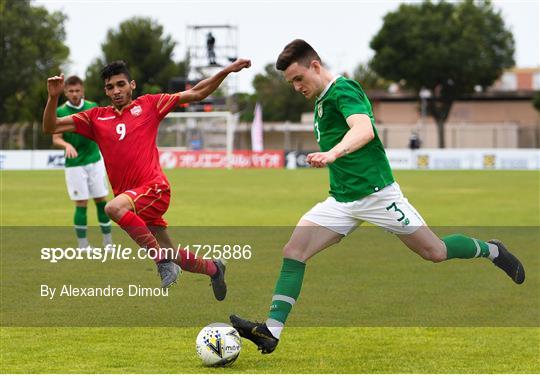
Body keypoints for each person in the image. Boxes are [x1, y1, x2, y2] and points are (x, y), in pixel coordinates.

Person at [230, 39, 525, 354]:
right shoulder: (319, 100)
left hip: (379, 196)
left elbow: (364, 129)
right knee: (294, 250)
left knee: (435, 252)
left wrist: (333, 153)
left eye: (299, 78)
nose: (296, 87)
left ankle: (492, 250)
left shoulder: (343, 90)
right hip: (342, 201)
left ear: (315, 65)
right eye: (291, 83)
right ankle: (271, 332)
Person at [43, 59, 251, 297]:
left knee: (112, 208)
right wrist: (52, 98)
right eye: (110, 87)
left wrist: (226, 70)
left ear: (132, 85)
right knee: (175, 254)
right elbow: (51, 127)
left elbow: (197, 92)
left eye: (121, 84)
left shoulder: (150, 104)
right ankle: (214, 269)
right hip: (134, 203)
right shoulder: (95, 118)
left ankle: (161, 261)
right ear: (105, 91)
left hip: (154, 189)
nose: (116, 90)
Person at [53, 75, 112, 250]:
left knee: (102, 201)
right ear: (65, 92)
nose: (74, 94)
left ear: (82, 91)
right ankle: (83, 245)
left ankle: (108, 243)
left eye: (77, 90)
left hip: (95, 161)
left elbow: (102, 130)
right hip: (75, 165)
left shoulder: (92, 107)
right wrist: (66, 144)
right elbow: (56, 138)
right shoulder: (60, 112)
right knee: (81, 203)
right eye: (71, 91)